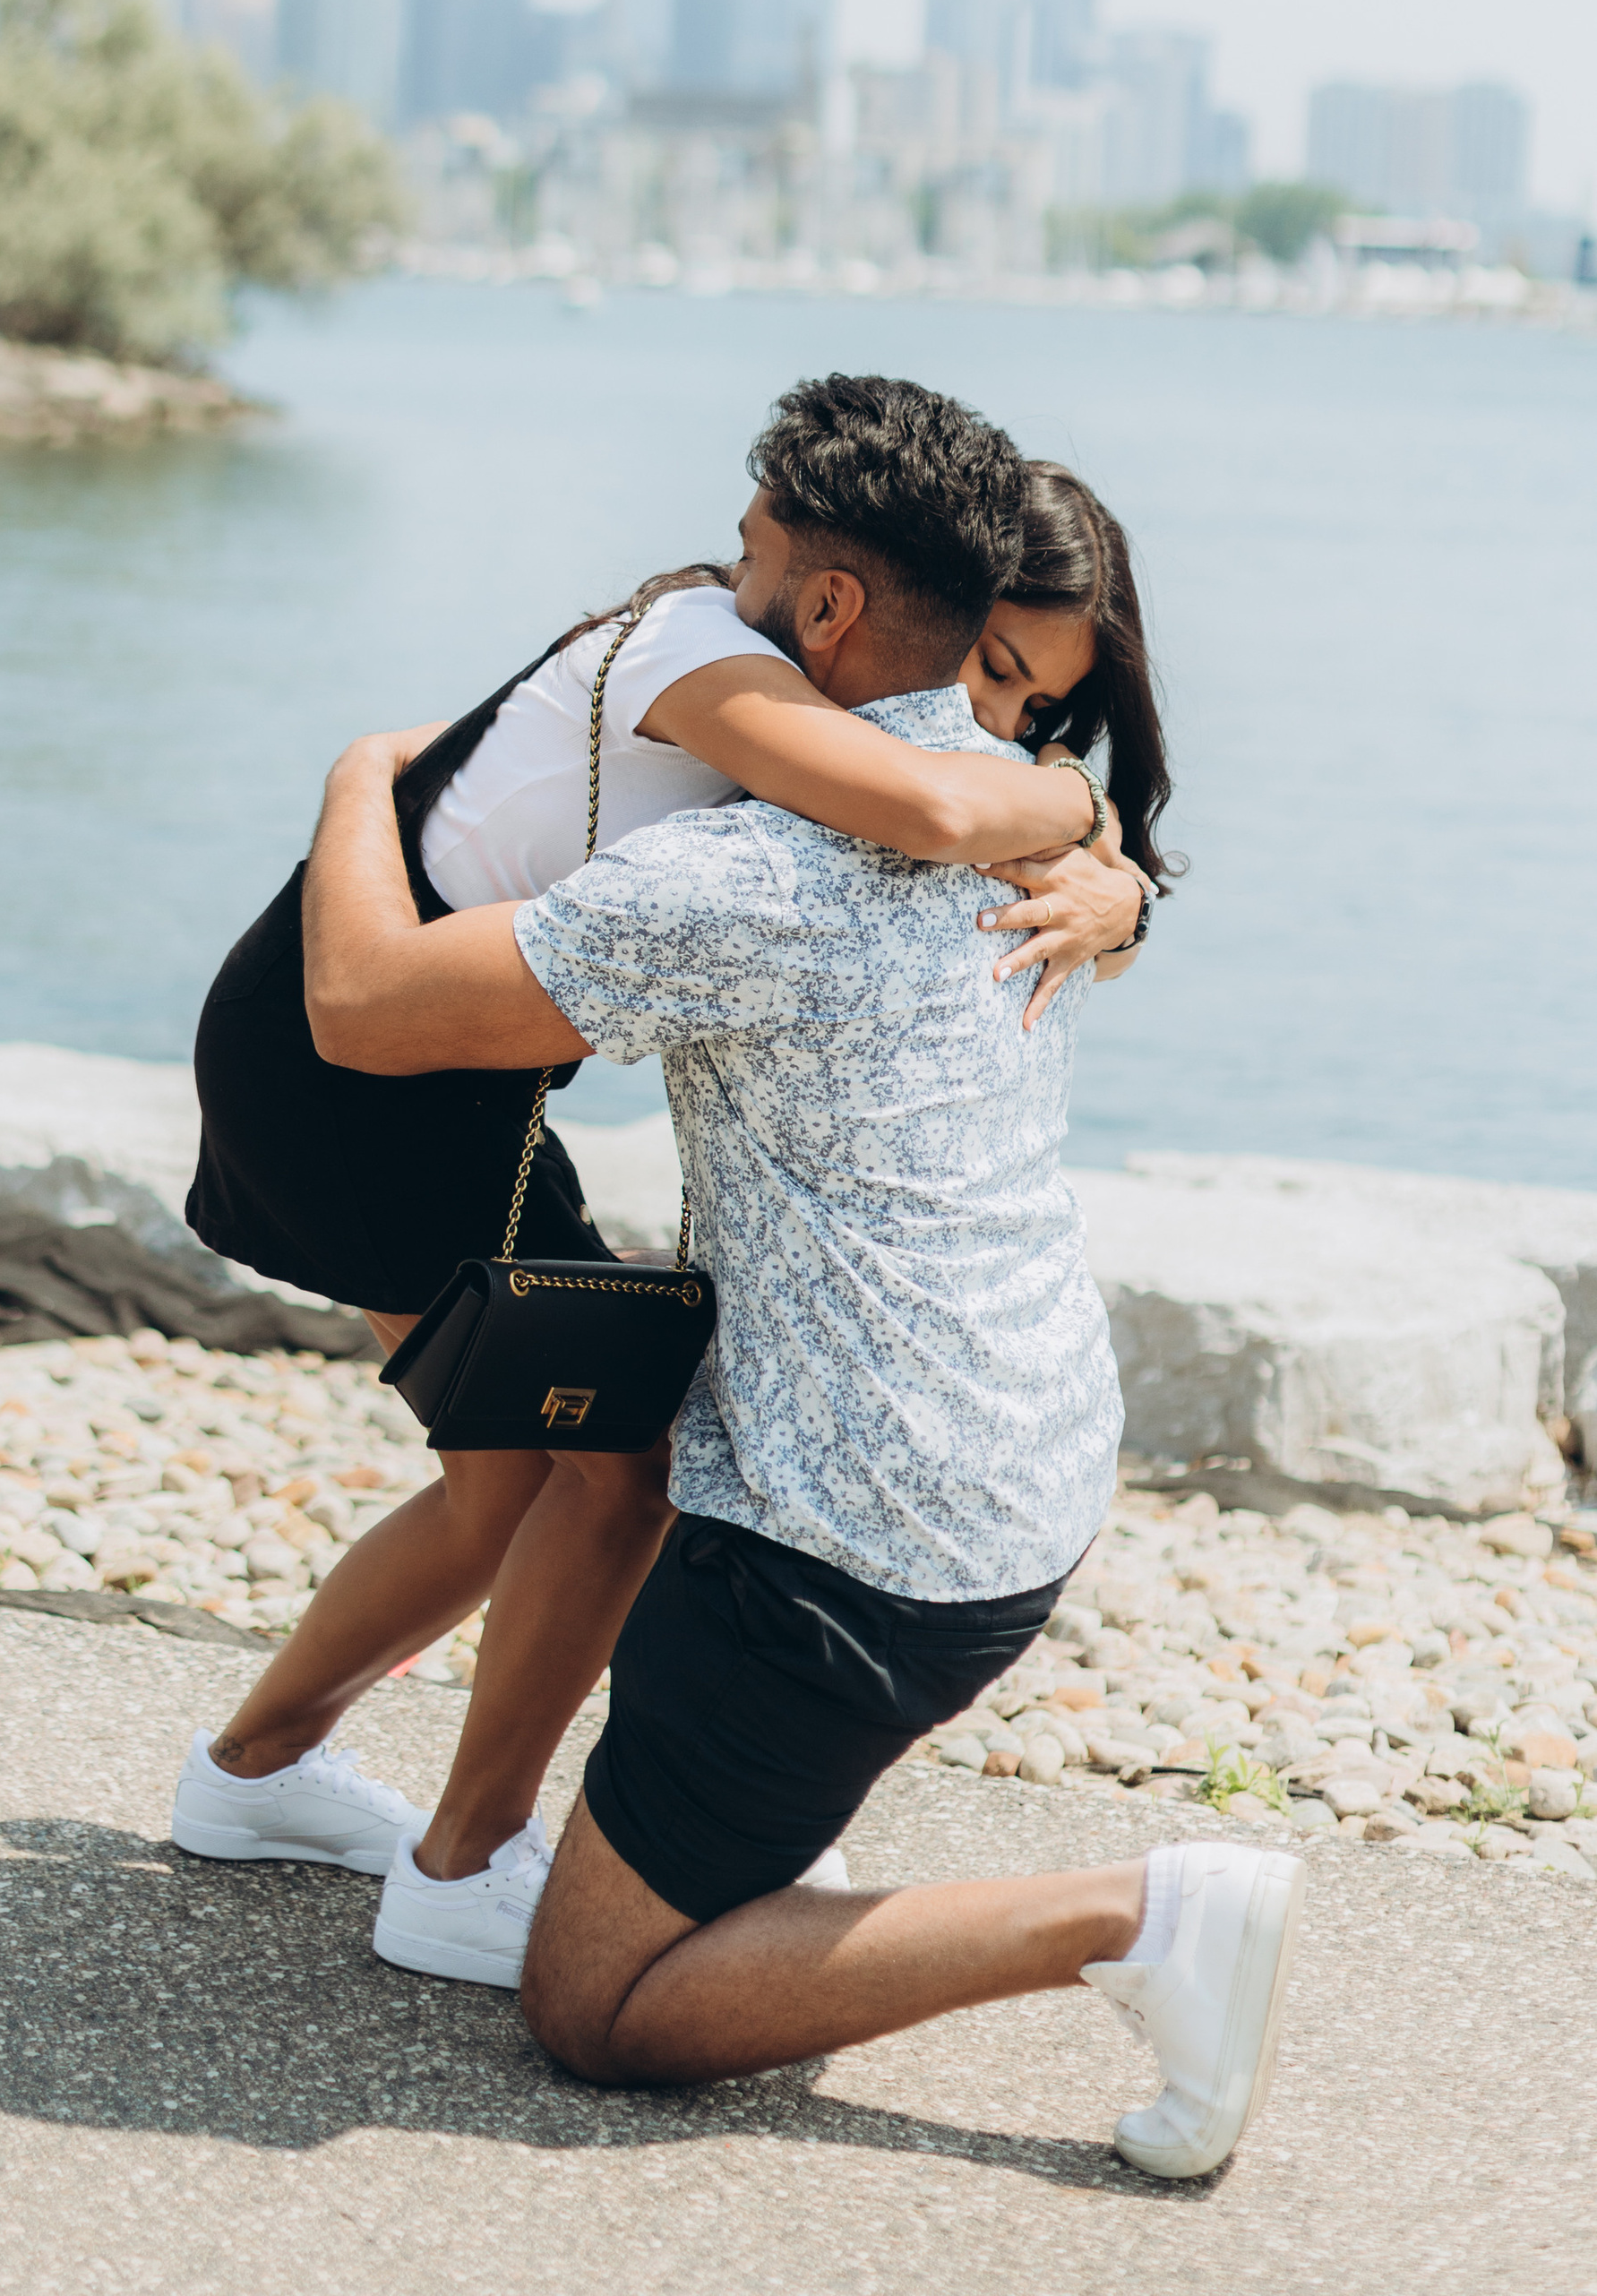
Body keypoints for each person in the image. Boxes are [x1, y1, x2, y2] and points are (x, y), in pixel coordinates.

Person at [292, 372, 1298, 2180]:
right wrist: (1117, 875)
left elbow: (363, 1007)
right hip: (1029, 1458)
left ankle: (1138, 1918)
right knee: (664, 1562)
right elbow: (1058, 817)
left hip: (849, 1544)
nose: (720, 576)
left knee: (592, 2009)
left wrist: (358, 773)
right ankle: (749, 1832)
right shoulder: (1017, 791)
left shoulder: (742, 881)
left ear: (826, 605)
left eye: (752, 552)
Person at [170, 380, 1148, 1983]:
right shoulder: (713, 647)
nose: (726, 543)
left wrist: (1109, 878)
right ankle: (457, 1863)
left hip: (435, 1067)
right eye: (989, 673)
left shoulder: (809, 680)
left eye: (1032, 696)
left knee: (549, 1474)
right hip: (360, 1054)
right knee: (605, 1473)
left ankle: (260, 1776)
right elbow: (936, 809)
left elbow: (960, 817)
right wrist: (359, 772)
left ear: (828, 588)